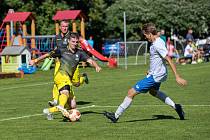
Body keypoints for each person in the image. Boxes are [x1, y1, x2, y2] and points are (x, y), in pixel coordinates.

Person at [104, 23, 187, 123]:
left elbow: (168, 59)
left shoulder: (157, 44)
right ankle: (176, 107)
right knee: (153, 92)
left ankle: (115, 116)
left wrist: (177, 76)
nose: (145, 37)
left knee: (131, 92)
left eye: (146, 35)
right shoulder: (157, 41)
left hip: (155, 76)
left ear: (150, 34)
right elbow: (157, 59)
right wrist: (150, 70)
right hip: (157, 74)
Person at [30, 33, 101, 120]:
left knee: (73, 105)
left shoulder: (80, 53)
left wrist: (96, 66)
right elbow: (48, 55)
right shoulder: (61, 50)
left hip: (68, 79)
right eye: (73, 41)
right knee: (65, 93)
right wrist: (35, 60)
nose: (74, 43)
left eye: (76, 42)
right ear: (68, 41)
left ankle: (49, 111)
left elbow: (90, 60)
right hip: (61, 76)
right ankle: (60, 106)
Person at [48, 20, 89, 107]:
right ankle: (55, 100)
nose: (64, 28)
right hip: (60, 63)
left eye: (66, 26)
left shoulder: (72, 36)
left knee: (76, 83)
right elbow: (54, 50)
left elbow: (81, 42)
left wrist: (82, 46)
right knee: (57, 80)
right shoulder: (56, 37)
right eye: (63, 26)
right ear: (60, 27)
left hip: (72, 63)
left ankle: (83, 78)